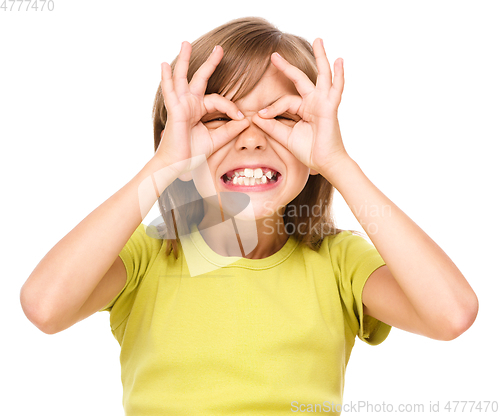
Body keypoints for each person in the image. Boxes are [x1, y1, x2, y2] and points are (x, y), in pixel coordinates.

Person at [20, 16, 479, 415]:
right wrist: (163, 165)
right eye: (222, 118)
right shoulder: (149, 255)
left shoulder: (339, 262)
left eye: (281, 119)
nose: (252, 139)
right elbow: (44, 307)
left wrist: (338, 163)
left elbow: (452, 315)